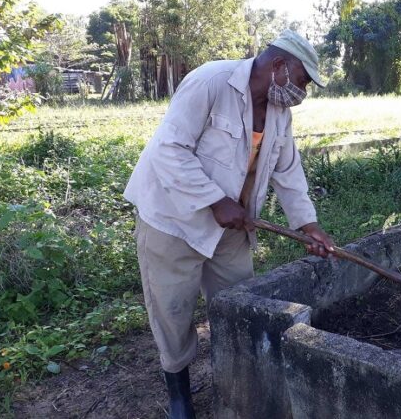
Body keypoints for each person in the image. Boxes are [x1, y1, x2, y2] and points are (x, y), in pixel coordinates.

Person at [123, 29, 335, 418]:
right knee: (173, 311)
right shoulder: (210, 82)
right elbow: (168, 149)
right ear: (278, 66)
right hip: (174, 220)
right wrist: (214, 200)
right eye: (303, 80)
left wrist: (309, 225)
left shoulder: (278, 112)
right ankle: (179, 395)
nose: (303, 92)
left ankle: (235, 377)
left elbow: (288, 171)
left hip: (232, 227)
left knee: (240, 302)